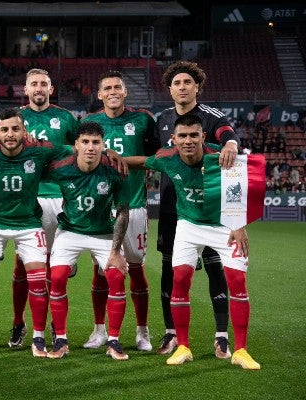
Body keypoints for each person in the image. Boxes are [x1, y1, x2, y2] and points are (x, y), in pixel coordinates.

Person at [125, 114, 260, 369]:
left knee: (238, 281)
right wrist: (114, 160)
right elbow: (144, 161)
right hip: (188, 225)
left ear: (203, 137)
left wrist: (241, 226)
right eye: (182, 136)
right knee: (180, 279)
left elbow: (244, 187)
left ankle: (241, 350)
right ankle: (184, 346)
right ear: (173, 139)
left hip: (224, 225)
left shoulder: (222, 156)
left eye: (194, 135)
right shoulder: (167, 157)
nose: (188, 141)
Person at [0, 108, 71, 358]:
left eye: (15, 129)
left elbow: (70, 150)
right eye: (4, 129)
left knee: (37, 281)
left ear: (24, 131)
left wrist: (107, 153)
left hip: (29, 224)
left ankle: (39, 337)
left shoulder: (41, 149)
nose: (10, 134)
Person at [152, 60, 239, 357]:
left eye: (187, 82)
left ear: (197, 86)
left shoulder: (211, 117)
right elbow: (155, 155)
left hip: (208, 208)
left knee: (216, 268)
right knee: (170, 270)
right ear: (170, 89)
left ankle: (221, 335)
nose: (182, 87)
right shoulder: (161, 119)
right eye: (177, 83)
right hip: (171, 206)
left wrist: (231, 145)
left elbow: (229, 135)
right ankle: (171, 333)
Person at [81, 71, 159, 351]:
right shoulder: (89, 123)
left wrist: (121, 159)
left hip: (134, 205)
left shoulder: (143, 120)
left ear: (125, 92)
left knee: (136, 269)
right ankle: (99, 330)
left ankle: (143, 332)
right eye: (107, 88)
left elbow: (155, 158)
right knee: (101, 271)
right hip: (102, 208)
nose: (113, 91)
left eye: (118, 87)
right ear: (99, 94)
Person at [46, 121, 130, 360]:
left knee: (116, 276)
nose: (90, 147)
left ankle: (113, 340)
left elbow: (123, 211)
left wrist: (115, 251)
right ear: (76, 145)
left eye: (95, 142)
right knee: (58, 277)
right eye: (85, 142)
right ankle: (60, 339)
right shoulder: (61, 168)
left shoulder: (115, 171)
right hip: (70, 231)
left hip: (103, 232)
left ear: (104, 145)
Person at [9, 68, 79, 348]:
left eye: (44, 84)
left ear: (51, 89)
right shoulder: (16, 118)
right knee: (22, 265)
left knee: (55, 266)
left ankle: (54, 324)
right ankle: (18, 322)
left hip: (58, 196)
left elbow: (77, 151)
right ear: (25, 89)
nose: (38, 88)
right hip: (27, 196)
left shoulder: (65, 118)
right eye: (33, 84)